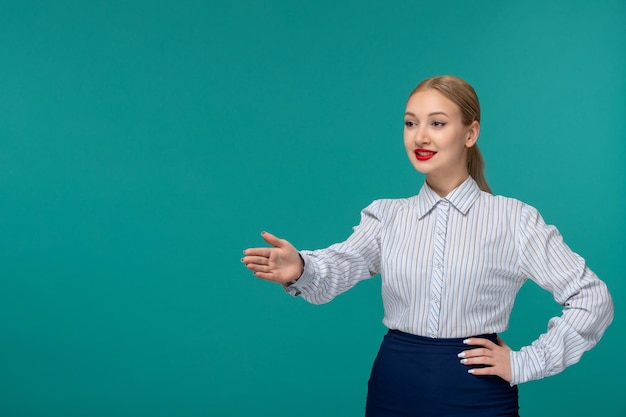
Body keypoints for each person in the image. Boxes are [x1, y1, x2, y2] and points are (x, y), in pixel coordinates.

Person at [240, 75, 614, 417]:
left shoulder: (514, 220)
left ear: (470, 133)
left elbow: (592, 298)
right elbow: (339, 266)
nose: (420, 137)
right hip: (394, 390)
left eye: (437, 123)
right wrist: (302, 268)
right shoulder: (386, 217)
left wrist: (525, 363)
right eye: (410, 123)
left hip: (478, 394)